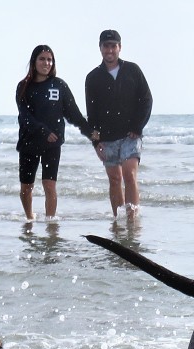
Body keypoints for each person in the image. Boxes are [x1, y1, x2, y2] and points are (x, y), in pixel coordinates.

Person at [16, 44, 93, 221]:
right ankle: (29, 219)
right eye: (42, 59)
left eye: (49, 59)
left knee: (49, 185)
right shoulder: (24, 87)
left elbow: (73, 114)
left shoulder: (59, 86)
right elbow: (25, 116)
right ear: (34, 61)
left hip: (52, 145)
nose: (46, 63)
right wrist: (43, 131)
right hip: (29, 143)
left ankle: (50, 222)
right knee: (26, 187)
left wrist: (91, 132)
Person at [85, 29, 153, 218]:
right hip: (107, 138)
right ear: (100, 48)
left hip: (130, 135)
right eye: (106, 46)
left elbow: (147, 100)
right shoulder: (92, 78)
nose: (110, 50)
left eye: (113, 46)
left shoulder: (132, 70)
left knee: (129, 175)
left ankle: (131, 219)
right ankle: (118, 220)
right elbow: (91, 115)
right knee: (115, 180)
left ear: (119, 48)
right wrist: (95, 142)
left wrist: (138, 126)